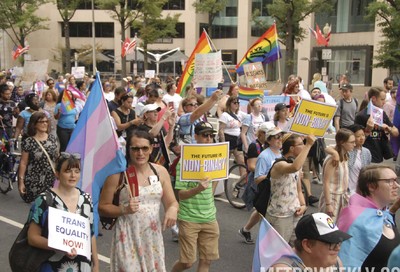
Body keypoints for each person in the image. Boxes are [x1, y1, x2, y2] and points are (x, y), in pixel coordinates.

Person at [99, 130, 178, 272]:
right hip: (127, 236)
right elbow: (103, 207)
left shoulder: (160, 172)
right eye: (135, 148)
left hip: (152, 237)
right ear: (128, 150)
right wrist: (123, 209)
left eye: (144, 148)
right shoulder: (118, 175)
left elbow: (172, 202)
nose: (140, 153)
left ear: (151, 149)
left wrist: (172, 210)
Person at [27, 152, 99, 271]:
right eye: (67, 171)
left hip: (81, 265)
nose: (73, 175)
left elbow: (90, 235)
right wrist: (60, 246)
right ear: (57, 174)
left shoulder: (86, 199)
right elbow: (32, 237)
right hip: (53, 265)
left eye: (77, 171)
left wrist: (95, 264)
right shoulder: (44, 200)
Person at [171, 122, 221, 272]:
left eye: (211, 136)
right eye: (205, 135)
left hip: (210, 218)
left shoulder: (213, 158)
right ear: (196, 136)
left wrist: (209, 196)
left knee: (206, 260)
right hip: (189, 218)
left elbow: (217, 177)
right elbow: (181, 194)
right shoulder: (184, 161)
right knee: (187, 262)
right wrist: (199, 188)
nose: (209, 139)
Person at [338, 165, 400, 270]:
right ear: (371, 186)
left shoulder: (384, 215)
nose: (397, 185)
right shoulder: (354, 218)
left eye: (396, 180)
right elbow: (345, 261)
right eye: (390, 181)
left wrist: (392, 211)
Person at [238, 127, 284, 243]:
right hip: (267, 191)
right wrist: (272, 176)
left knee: (261, 212)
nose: (280, 139)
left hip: (278, 191)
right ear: (269, 140)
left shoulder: (281, 154)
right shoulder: (264, 156)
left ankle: (246, 229)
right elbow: (258, 178)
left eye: (281, 136)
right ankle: (266, 244)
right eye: (276, 137)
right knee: (266, 215)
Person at [266, 133, 315, 243]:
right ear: (292, 148)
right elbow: (294, 167)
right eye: (301, 144)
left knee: (296, 248)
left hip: (295, 212)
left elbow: (298, 189)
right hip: (280, 215)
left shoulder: (296, 162)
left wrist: (303, 205)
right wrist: (308, 145)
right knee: (278, 250)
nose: (303, 146)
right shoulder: (279, 164)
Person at [270, 213, 351, 272]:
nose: (338, 248)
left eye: (338, 242)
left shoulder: (336, 263)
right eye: (331, 243)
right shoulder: (283, 269)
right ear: (307, 245)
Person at [18, 112, 58, 203]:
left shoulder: (53, 139)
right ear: (34, 124)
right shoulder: (28, 141)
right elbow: (23, 163)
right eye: (41, 122)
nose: (45, 124)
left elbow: (56, 158)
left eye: (46, 121)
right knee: (36, 209)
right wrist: (21, 182)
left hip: (50, 180)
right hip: (33, 181)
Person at [355, 87, 399, 162]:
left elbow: (396, 133)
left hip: (379, 154)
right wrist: (368, 129)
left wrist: (389, 128)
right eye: (382, 99)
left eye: (384, 99)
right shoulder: (361, 116)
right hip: (366, 155)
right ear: (373, 98)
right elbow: (356, 141)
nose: (384, 102)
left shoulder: (382, 113)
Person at [319, 128, 355, 221]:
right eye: (351, 142)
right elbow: (326, 182)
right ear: (342, 142)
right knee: (329, 229)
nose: (354, 145)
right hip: (332, 198)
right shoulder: (333, 159)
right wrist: (328, 204)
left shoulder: (344, 155)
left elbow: (329, 147)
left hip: (342, 198)